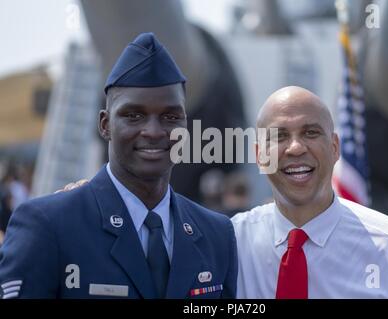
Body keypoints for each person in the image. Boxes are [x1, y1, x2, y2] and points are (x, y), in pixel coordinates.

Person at [0, 33, 237, 299]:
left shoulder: (216, 235)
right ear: (105, 124)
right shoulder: (50, 226)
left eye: (171, 117)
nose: (154, 131)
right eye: (133, 115)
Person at [231, 86, 388, 299]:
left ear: (335, 147)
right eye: (279, 136)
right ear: (259, 155)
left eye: (310, 132)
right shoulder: (230, 244)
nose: (295, 148)